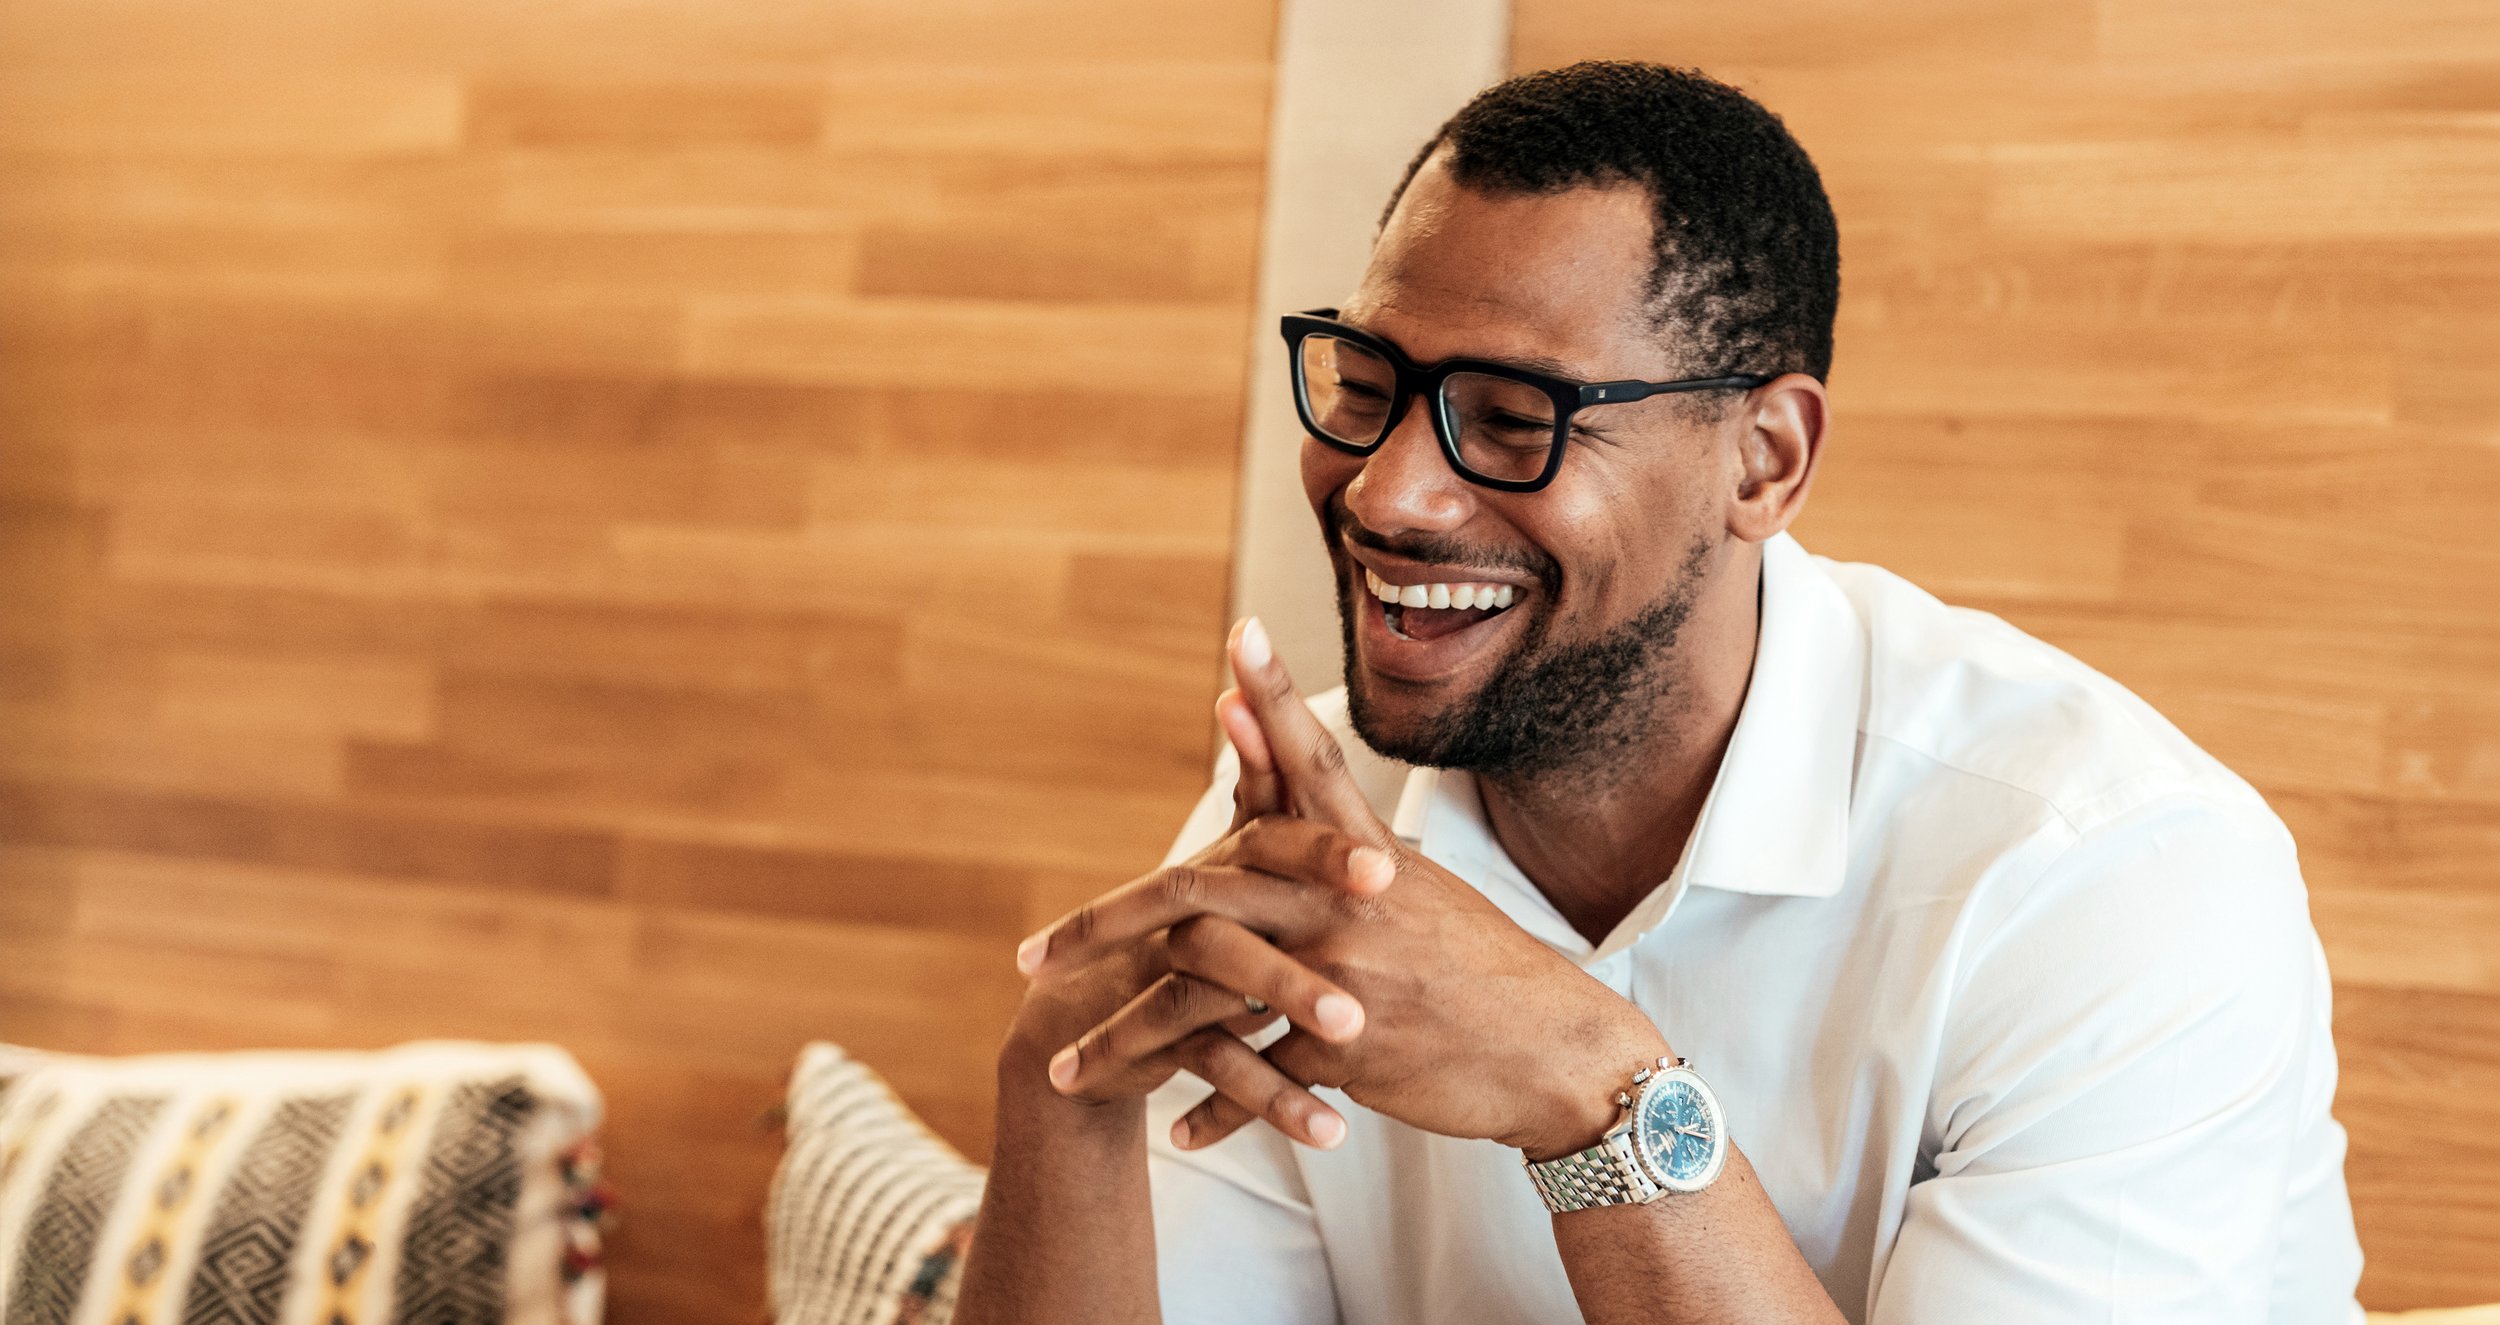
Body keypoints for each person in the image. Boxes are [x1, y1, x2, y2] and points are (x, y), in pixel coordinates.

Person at [953, 60, 2364, 1325]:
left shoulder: (2104, 872)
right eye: (1371, 384)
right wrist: (1059, 1086)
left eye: (1512, 418)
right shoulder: (1318, 803)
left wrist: (1590, 1083)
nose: (1386, 489)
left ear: (1763, 461)